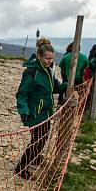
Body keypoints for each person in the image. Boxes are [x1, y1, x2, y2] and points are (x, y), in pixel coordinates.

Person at [15, 37, 66, 179]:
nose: (50, 61)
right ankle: (21, 168)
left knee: (43, 139)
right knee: (38, 141)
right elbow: (22, 94)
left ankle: (36, 158)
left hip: (46, 113)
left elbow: (55, 88)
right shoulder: (32, 72)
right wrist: (24, 111)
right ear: (38, 56)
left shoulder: (48, 70)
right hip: (35, 114)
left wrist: (67, 85)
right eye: (47, 58)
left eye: (52, 58)